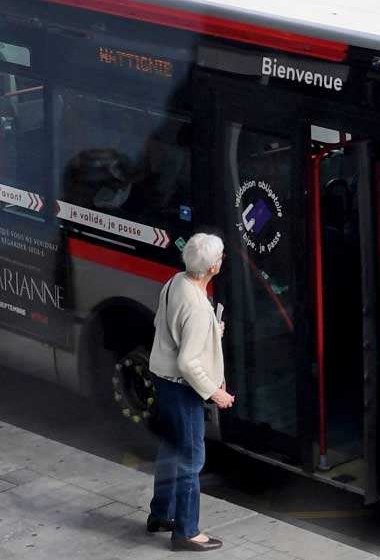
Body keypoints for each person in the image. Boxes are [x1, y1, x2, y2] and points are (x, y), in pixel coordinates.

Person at [146, 233, 234, 552]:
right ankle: (186, 531)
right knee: (191, 458)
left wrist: (211, 327)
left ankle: (160, 514)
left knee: (171, 448)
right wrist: (215, 392)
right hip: (182, 389)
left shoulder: (175, 282)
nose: (222, 260)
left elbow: (166, 324)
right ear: (212, 267)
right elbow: (187, 361)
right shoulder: (198, 306)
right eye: (221, 257)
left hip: (161, 377)